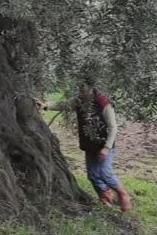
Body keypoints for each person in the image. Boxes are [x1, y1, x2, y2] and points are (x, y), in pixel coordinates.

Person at [43, 81, 132, 211]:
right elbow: (65, 105)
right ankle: (105, 197)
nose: (79, 90)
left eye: (82, 87)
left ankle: (123, 194)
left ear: (91, 88)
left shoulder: (103, 103)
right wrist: (46, 105)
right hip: (89, 144)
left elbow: (113, 128)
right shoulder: (79, 100)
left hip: (104, 145)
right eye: (78, 87)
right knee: (92, 175)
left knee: (104, 173)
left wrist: (106, 148)